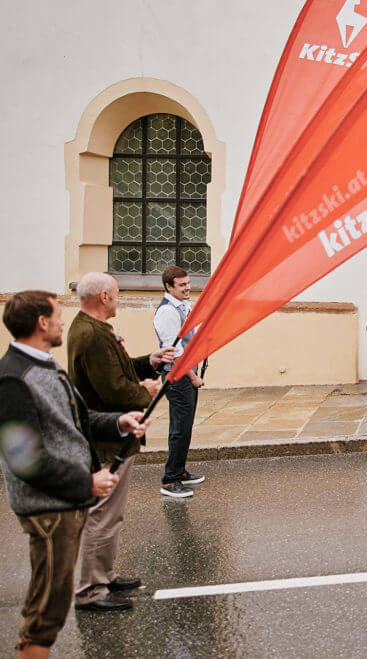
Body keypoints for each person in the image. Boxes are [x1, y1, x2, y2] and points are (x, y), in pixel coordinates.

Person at [0, 290, 148, 658]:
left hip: (64, 501)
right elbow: (24, 460)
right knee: (47, 609)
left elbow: (74, 422)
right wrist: (87, 482)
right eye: (58, 314)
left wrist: (119, 423)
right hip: (48, 508)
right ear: (42, 322)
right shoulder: (14, 379)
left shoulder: (43, 365)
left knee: (48, 601)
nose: (63, 321)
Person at [67, 273, 174, 611]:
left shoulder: (92, 329)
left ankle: (105, 575)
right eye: (115, 294)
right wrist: (146, 391)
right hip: (107, 439)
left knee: (111, 516)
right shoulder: (93, 335)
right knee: (103, 515)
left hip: (112, 435)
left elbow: (118, 369)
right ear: (103, 297)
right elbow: (112, 388)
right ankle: (89, 590)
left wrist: (150, 361)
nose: (118, 299)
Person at [153, 266, 205, 498]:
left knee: (185, 428)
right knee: (179, 429)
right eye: (182, 285)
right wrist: (193, 377)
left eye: (188, 283)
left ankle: (180, 471)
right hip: (178, 377)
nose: (187, 288)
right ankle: (170, 480)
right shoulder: (167, 312)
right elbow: (175, 351)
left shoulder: (182, 306)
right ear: (168, 287)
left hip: (187, 375)